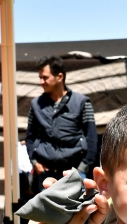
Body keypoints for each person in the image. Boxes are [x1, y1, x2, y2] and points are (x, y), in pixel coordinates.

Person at [26, 55, 98, 192]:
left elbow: (92, 138)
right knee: (48, 213)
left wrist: (82, 168)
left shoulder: (82, 102)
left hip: (75, 173)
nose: (41, 82)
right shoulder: (36, 105)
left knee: (75, 213)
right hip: (46, 175)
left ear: (60, 77)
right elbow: (30, 137)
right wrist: (35, 163)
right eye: (40, 78)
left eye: (45, 77)